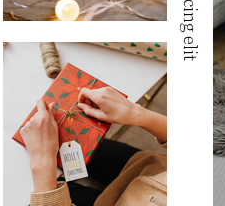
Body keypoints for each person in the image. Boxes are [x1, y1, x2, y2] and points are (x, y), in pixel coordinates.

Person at [20, 86, 167, 206]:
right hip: (147, 165)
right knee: (74, 143)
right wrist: (137, 113)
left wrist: (42, 162)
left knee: (24, 192)